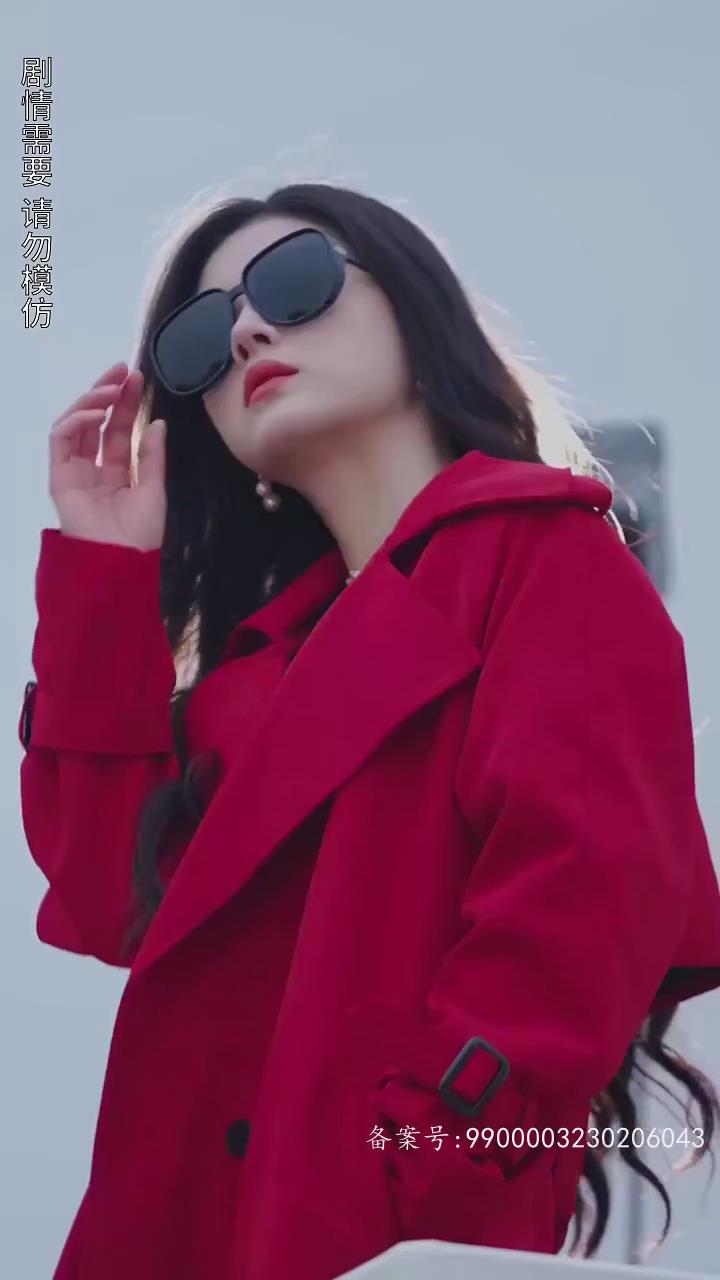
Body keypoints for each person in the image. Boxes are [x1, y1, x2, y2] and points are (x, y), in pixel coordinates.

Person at [19, 182, 720, 1280]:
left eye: (293, 282)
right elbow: (117, 900)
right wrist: (107, 575)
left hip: (374, 1239)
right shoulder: (259, 671)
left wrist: (414, 1186)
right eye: (200, 338)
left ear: (416, 307)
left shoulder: (545, 558)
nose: (247, 333)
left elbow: (582, 910)